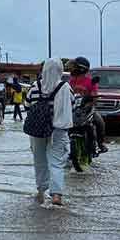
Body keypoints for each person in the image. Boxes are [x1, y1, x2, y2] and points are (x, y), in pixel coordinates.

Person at [28, 58, 73, 206]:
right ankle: (56, 195)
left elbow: (28, 103)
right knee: (57, 163)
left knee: (39, 161)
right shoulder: (65, 87)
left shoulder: (35, 86)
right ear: (60, 70)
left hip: (37, 130)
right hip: (58, 131)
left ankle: (41, 191)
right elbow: (73, 103)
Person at [68, 56, 107, 153]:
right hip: (73, 109)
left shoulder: (90, 81)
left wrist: (91, 101)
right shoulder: (71, 81)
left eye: (74, 67)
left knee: (100, 122)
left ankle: (100, 144)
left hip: (87, 108)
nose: (72, 69)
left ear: (81, 69)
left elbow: (94, 96)